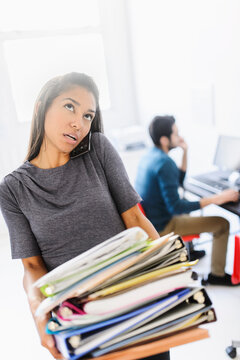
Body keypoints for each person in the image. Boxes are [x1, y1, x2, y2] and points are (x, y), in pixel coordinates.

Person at [0, 73, 170, 360]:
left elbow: (137, 221)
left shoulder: (98, 150)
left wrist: (171, 276)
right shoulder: (13, 189)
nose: (79, 123)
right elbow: (32, 267)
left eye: (88, 115)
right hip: (81, 318)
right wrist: (39, 315)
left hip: (134, 301)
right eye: (70, 107)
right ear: (42, 106)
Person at [135, 115, 240, 286]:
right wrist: (217, 198)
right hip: (163, 225)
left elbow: (178, 180)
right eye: (176, 133)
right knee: (222, 224)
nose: (180, 137)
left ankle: (191, 249)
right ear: (164, 139)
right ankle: (217, 275)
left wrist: (185, 151)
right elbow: (176, 207)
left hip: (152, 221)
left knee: (189, 205)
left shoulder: (151, 155)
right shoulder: (165, 162)